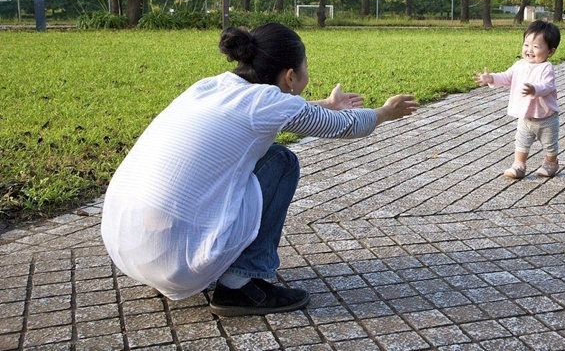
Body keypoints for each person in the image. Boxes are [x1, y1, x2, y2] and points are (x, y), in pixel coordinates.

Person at [101, 23, 418, 317]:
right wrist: (385, 112)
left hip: (129, 247)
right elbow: (345, 126)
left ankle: (206, 262)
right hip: (175, 259)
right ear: (290, 76)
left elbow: (285, 113)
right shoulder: (268, 103)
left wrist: (326, 104)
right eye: (306, 66)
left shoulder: (212, 87)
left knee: (259, 159)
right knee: (281, 161)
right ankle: (239, 285)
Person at [474, 20, 561, 179]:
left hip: (546, 118)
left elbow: (547, 85)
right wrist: (491, 78)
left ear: (550, 51)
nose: (529, 50)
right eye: (526, 44)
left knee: (550, 145)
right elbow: (506, 77)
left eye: (536, 46)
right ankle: (519, 165)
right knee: (521, 142)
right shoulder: (519, 65)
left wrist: (535, 89)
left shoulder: (546, 68)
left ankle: (551, 163)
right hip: (525, 116)